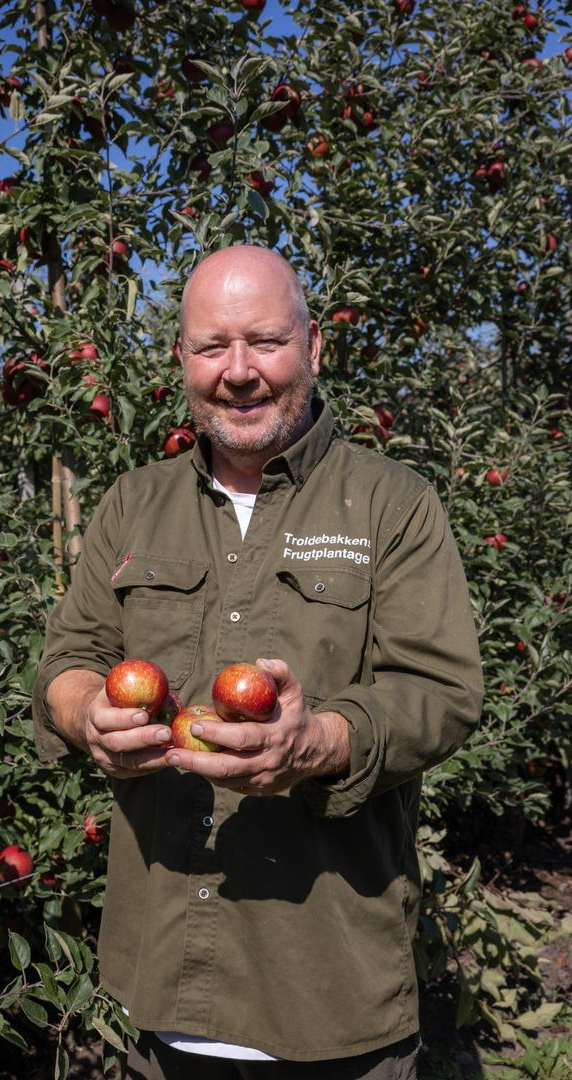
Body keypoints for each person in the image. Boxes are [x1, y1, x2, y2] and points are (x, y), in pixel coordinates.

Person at [32, 245, 484, 1079]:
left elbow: (442, 691)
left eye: (265, 342)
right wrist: (83, 710)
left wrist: (319, 743)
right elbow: (72, 656)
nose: (238, 372)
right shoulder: (135, 503)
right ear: (182, 361)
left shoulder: (392, 504)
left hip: (329, 991)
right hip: (158, 990)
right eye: (211, 347)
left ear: (314, 348)